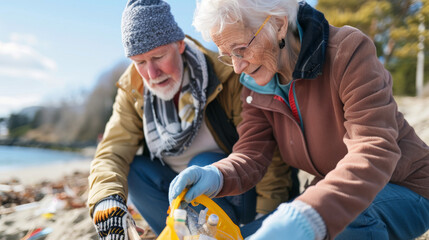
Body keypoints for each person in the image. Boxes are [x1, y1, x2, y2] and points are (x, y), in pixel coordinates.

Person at [169, 0, 429, 239]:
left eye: (240, 49)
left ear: (279, 23)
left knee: (341, 221)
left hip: (407, 187)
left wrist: (308, 215)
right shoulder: (255, 85)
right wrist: (215, 175)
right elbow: (251, 154)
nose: (237, 67)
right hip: (335, 188)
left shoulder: (347, 52)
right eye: (228, 55)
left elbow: (374, 149)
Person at [87, 0, 294, 239]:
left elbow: (264, 151)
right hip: (175, 195)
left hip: (233, 189)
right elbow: (111, 151)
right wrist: (106, 202)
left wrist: (264, 217)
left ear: (179, 44)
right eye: (140, 62)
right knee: (134, 170)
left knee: (203, 161)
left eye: (159, 56)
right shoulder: (133, 89)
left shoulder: (228, 75)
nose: (152, 74)